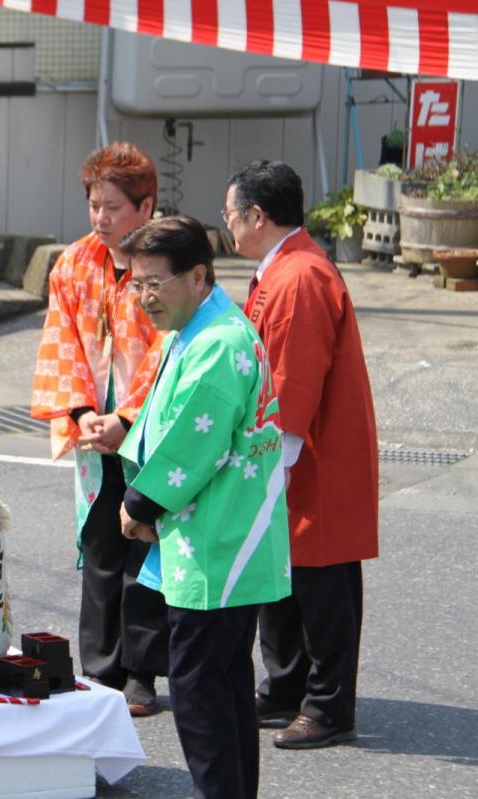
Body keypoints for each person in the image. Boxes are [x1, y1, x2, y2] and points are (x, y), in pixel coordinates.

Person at [116, 215, 291, 799]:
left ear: (198, 276)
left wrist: (140, 502)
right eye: (137, 284)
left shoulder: (217, 341)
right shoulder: (209, 325)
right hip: (224, 532)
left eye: (154, 283)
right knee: (225, 685)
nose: (144, 297)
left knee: (199, 691)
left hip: (216, 541)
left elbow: (194, 442)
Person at [225, 161, 379, 749]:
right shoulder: (288, 267)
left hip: (311, 456)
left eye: (230, 214)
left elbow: (293, 381)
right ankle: (288, 687)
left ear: (256, 216)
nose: (227, 224)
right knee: (284, 579)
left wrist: (269, 463)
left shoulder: (299, 276)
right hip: (298, 450)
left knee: (320, 584)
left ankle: (329, 706)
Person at [30, 142, 169, 716]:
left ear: (146, 206)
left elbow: (171, 348)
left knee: (145, 546)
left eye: (113, 207)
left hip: (151, 430)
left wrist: (128, 416)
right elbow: (60, 339)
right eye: (94, 205)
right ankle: (101, 671)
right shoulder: (73, 263)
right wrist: (81, 412)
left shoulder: (164, 263)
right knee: (100, 547)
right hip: (93, 430)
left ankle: (141, 674)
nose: (101, 218)